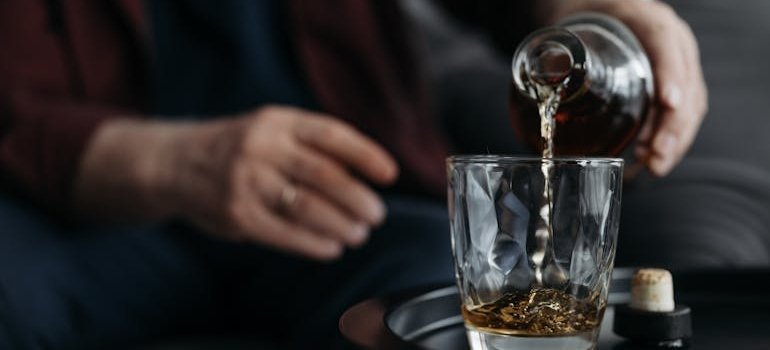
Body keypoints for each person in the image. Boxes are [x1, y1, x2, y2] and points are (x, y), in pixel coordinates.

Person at [0, 0, 707, 349]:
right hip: (81, 213)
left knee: (446, 289)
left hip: (353, 204)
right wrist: (160, 162)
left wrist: (598, 9)